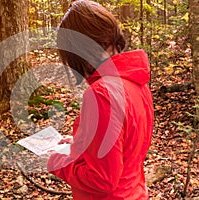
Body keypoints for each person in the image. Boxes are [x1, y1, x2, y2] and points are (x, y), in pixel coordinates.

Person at [46, 0, 154, 199]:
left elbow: (102, 180)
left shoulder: (102, 94)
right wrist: (80, 143)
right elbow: (127, 144)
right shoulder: (136, 80)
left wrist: (57, 162)